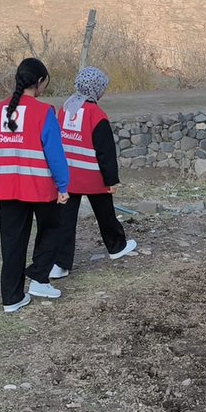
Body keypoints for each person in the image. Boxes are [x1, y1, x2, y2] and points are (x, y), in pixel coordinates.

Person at [0, 57, 70, 314]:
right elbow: (55, 154)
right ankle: (39, 279)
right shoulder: (44, 112)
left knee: (12, 242)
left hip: (9, 187)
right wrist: (63, 186)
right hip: (39, 186)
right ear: (40, 82)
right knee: (53, 228)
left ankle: (11, 298)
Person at [50, 67, 137, 279]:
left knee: (65, 221)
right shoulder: (97, 115)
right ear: (96, 88)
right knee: (105, 215)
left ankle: (60, 264)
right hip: (94, 177)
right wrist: (111, 180)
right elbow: (105, 151)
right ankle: (117, 247)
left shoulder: (64, 109)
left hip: (68, 177)